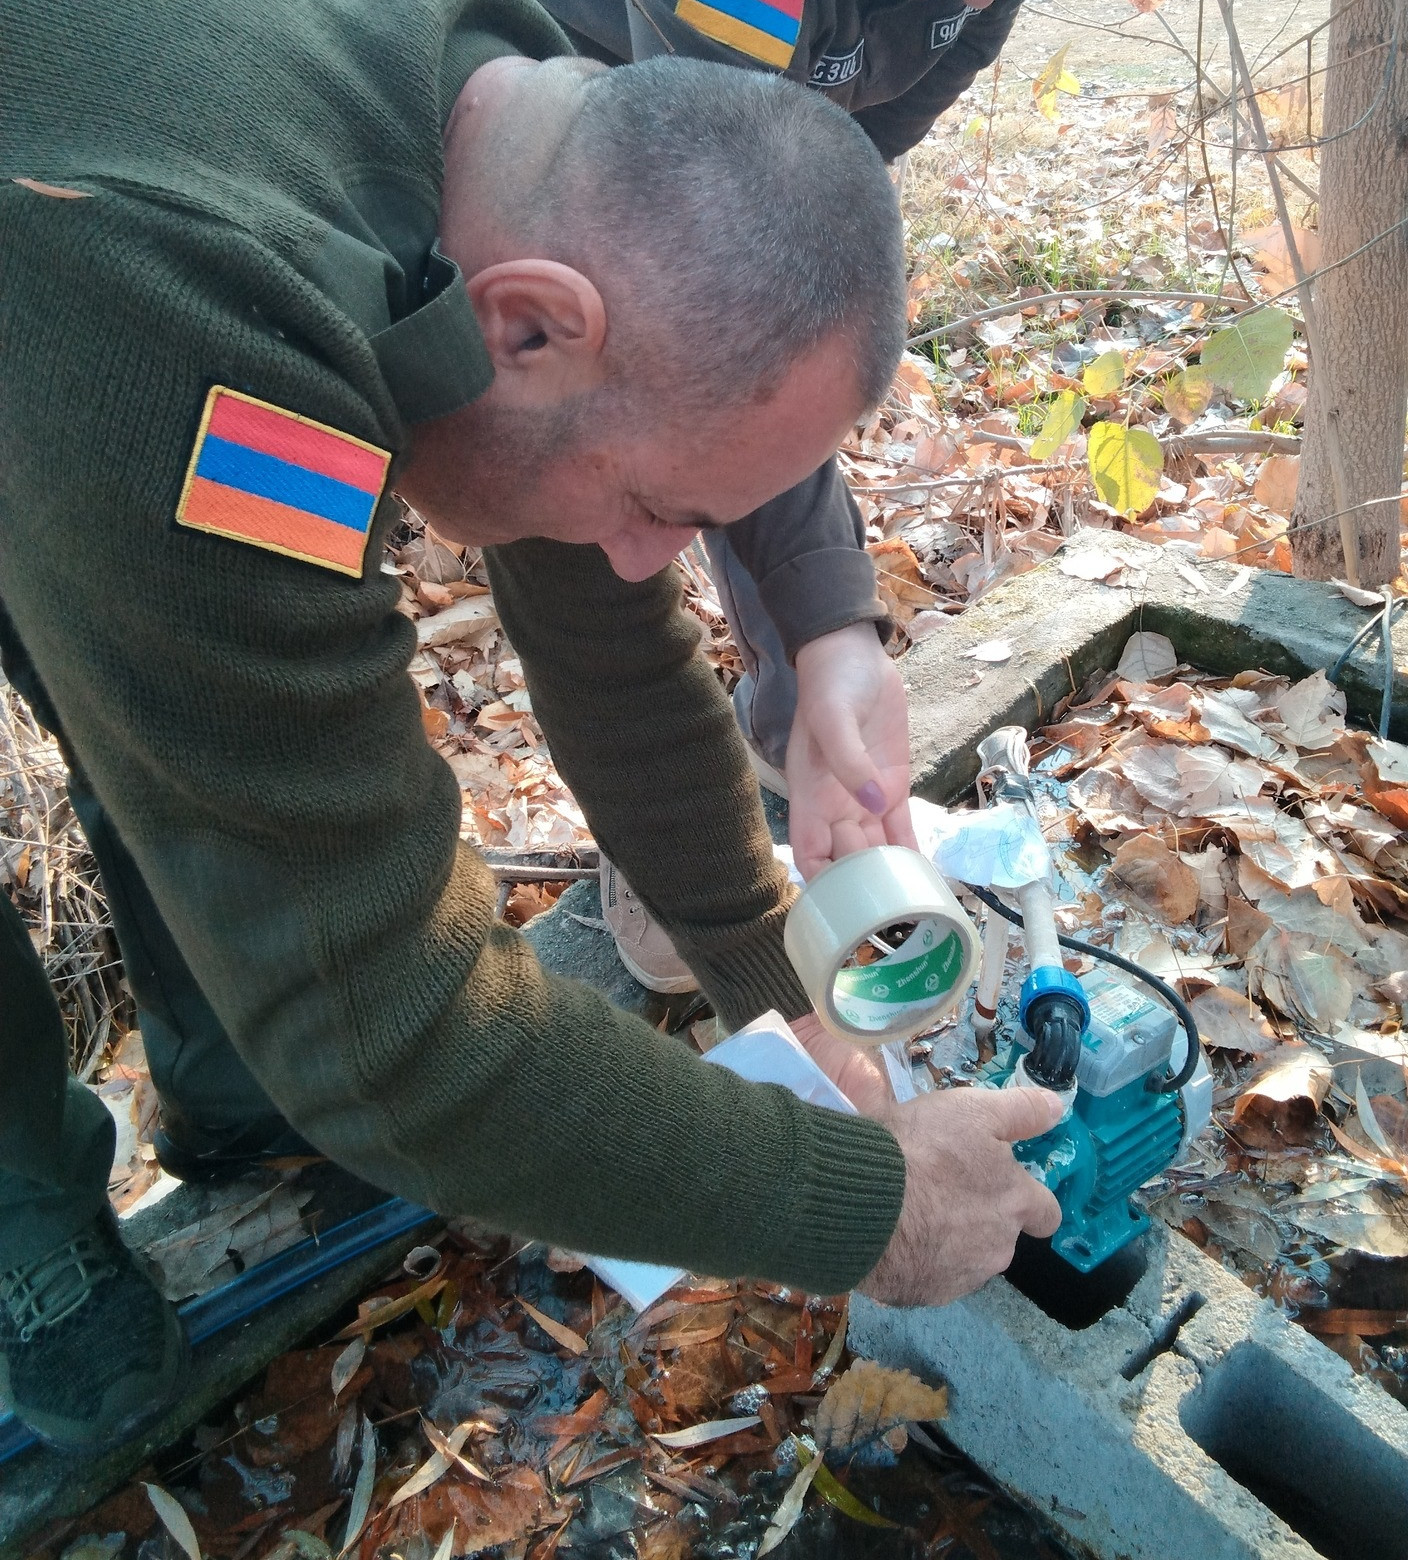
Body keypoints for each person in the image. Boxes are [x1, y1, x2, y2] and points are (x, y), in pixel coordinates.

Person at [0, 0, 1061, 1452]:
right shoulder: (220, 334)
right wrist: (866, 1205)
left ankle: (230, 1091)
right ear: (531, 321)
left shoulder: (510, 119)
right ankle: (20, 1212)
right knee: (199, 698)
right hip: (72, 265)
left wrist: (770, 980)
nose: (647, 563)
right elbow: (391, 1030)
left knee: (186, 714)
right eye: (654, 512)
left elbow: (607, 641)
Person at [538, 0, 1029, 996]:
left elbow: (810, 220)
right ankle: (668, 844)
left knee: (752, 433)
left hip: (713, 181)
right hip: (559, 152)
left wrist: (833, 634)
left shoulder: (981, 9)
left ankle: (791, 723)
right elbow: (717, 266)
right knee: (604, 499)